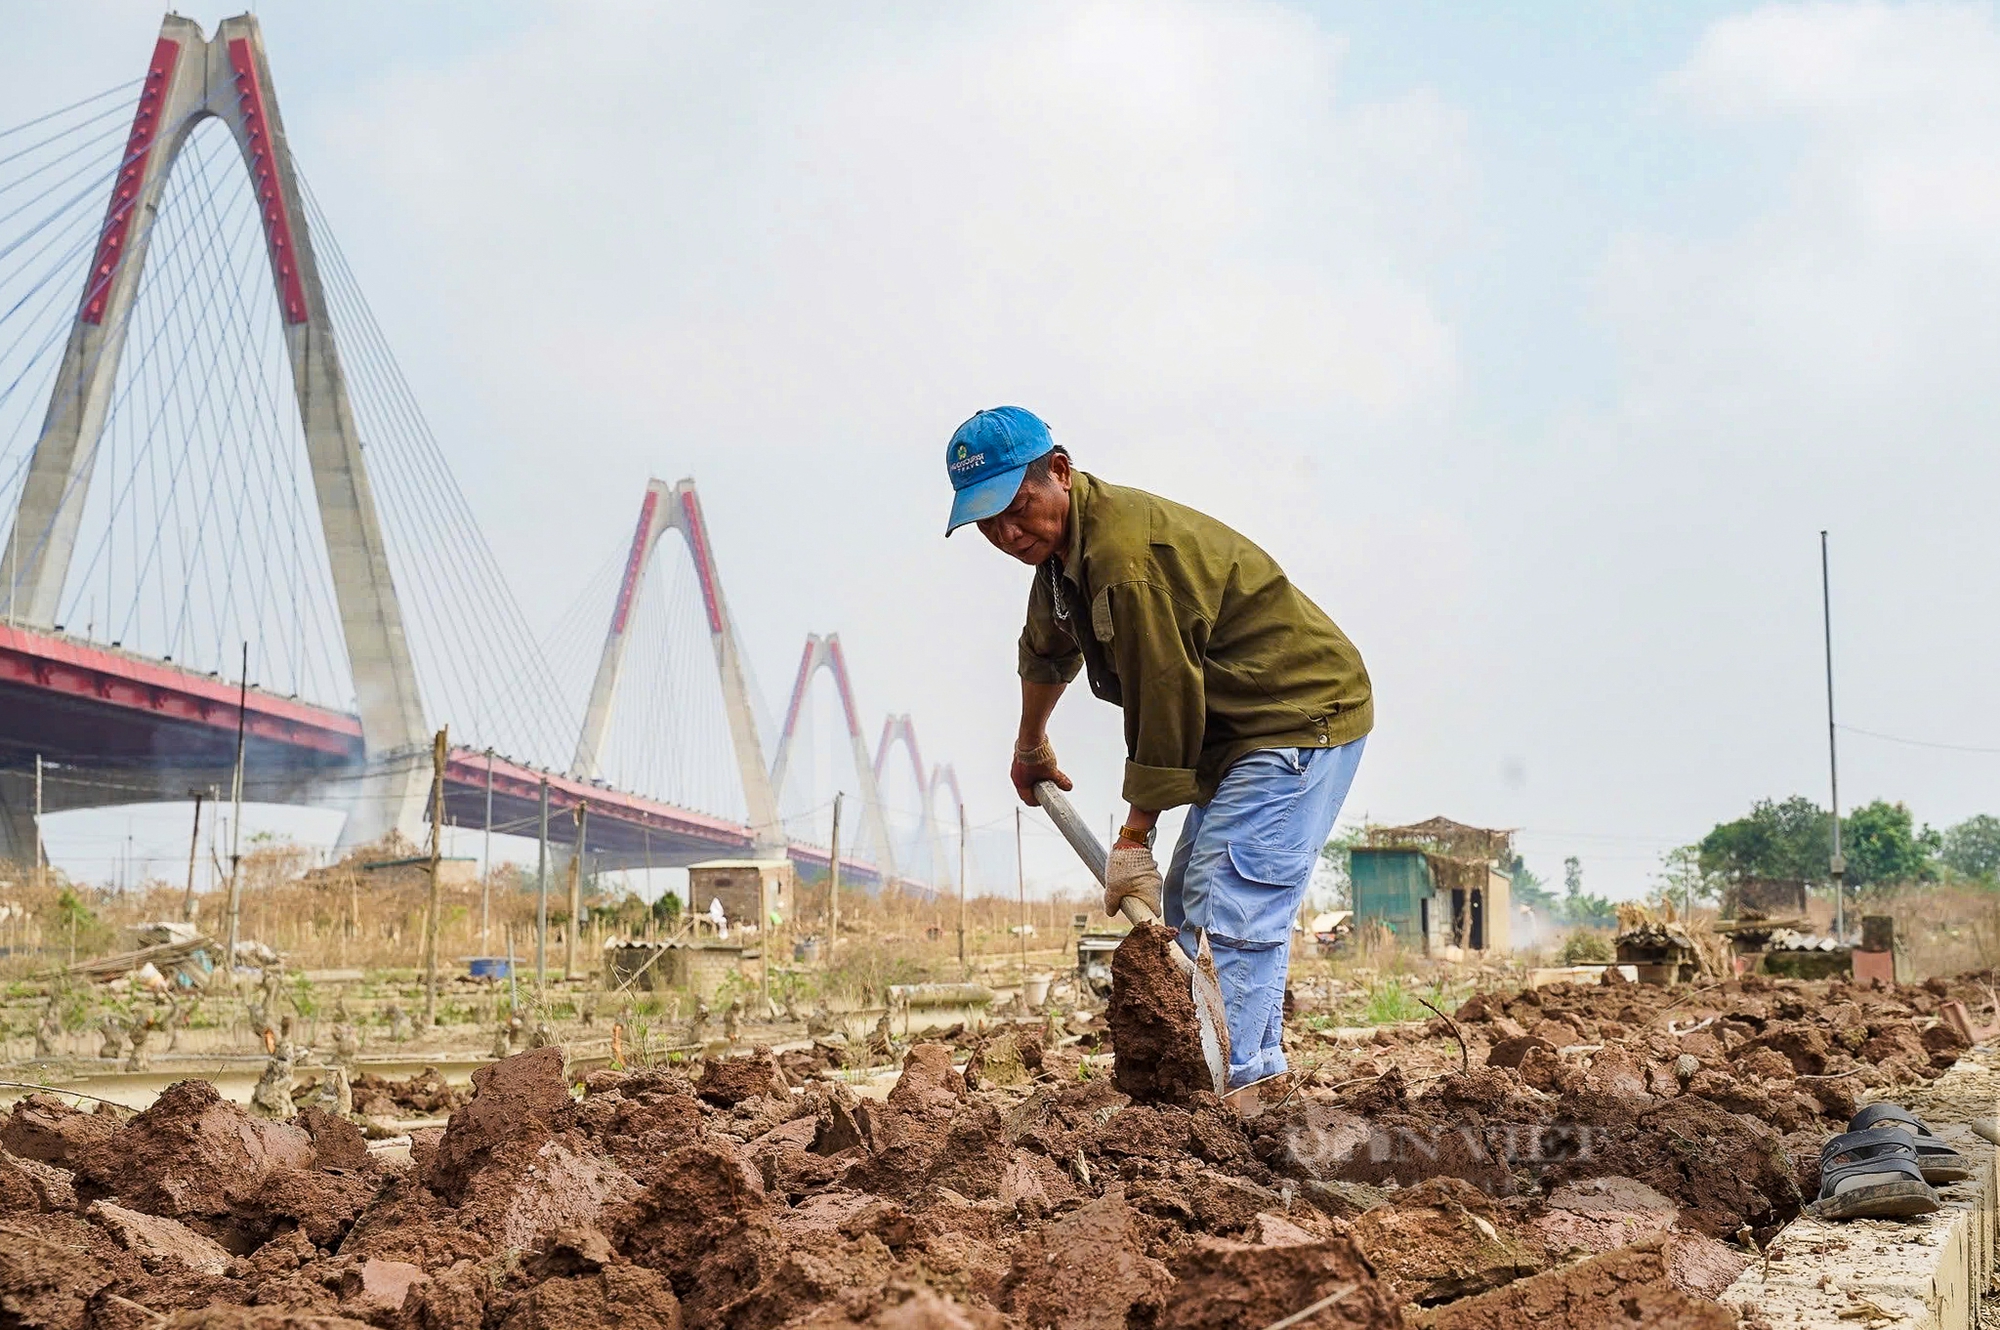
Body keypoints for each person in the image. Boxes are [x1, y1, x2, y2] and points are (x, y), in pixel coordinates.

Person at [943, 406, 1372, 1094]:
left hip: (1295, 715)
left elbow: (1165, 696)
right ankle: (1231, 1080)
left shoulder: (1122, 560)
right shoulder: (1061, 562)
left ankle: (1241, 1096)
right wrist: (1031, 746)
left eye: (1018, 508)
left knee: (1232, 903)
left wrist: (1135, 836)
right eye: (988, 523)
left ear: (1059, 472)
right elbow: (1046, 650)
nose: (1008, 533)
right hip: (1232, 732)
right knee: (1189, 904)